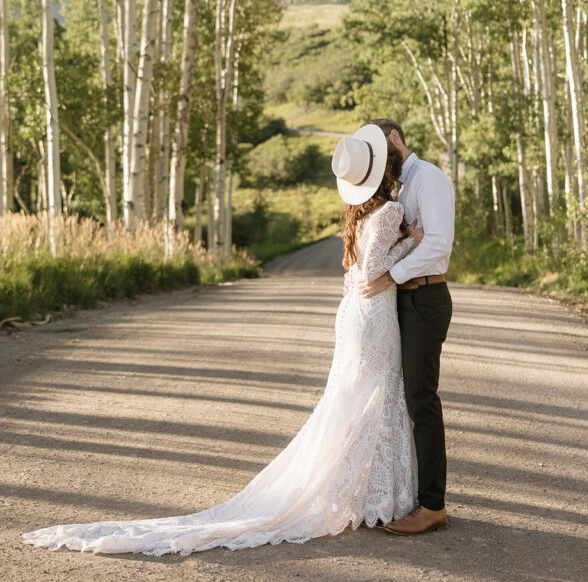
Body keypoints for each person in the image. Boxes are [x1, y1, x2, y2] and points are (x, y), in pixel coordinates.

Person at [22, 123, 424, 557]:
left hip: (355, 317)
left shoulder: (360, 214)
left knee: (357, 398)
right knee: (376, 394)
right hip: (373, 316)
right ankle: (380, 499)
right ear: (384, 170)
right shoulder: (389, 214)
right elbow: (370, 277)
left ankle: (368, 495)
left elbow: (355, 273)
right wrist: (412, 244)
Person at [357, 118, 454, 537]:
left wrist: (389, 277)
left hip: (425, 299)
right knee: (399, 398)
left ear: (394, 138)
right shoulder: (399, 187)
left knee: (420, 399)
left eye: (381, 154)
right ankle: (406, 494)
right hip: (403, 299)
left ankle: (433, 506)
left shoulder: (429, 177)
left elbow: (437, 242)